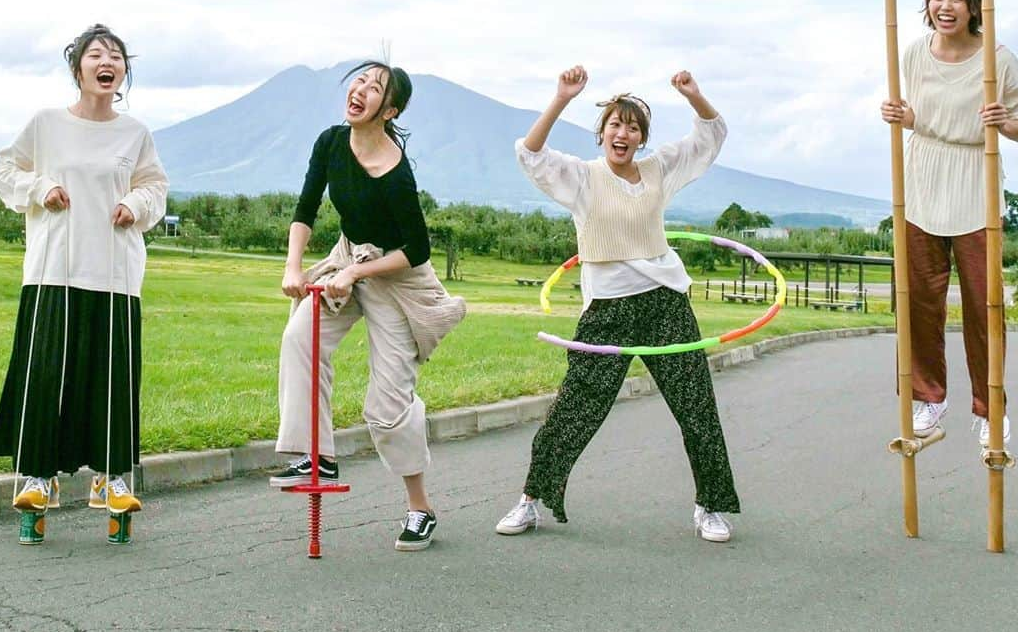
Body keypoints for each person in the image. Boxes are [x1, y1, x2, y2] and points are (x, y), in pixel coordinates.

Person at [495, 65, 740, 542]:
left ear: (642, 139)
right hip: (608, 308)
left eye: (632, 127)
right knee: (575, 407)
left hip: (665, 301)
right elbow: (530, 153)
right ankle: (531, 498)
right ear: (602, 134)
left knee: (697, 407)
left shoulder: (658, 170)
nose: (622, 133)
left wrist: (693, 95)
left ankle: (710, 506)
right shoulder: (581, 178)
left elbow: (712, 135)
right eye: (615, 125)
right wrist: (562, 97)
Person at [270, 61, 465, 551]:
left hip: (397, 279)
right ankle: (317, 455)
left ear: (390, 109)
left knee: (387, 407)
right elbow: (306, 206)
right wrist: (295, 269)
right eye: (359, 81)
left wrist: (356, 274)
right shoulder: (331, 142)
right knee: (300, 338)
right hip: (348, 257)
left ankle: (420, 508)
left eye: (374, 88)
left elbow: (415, 248)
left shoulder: (396, 173)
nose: (359, 90)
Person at [0, 24, 168, 519]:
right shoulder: (46, 124)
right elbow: (5, 172)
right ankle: (38, 479)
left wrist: (134, 202)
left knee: (111, 379)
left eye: (116, 56)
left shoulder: (136, 133)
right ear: (78, 68)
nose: (107, 61)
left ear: (124, 72)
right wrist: (41, 187)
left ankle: (110, 479)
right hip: (52, 269)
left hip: (113, 272)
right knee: (46, 375)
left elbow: (155, 187)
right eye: (96, 54)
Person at [881, 0, 1018, 446]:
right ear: (928, 3)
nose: (946, 7)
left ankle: (989, 408)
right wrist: (901, 116)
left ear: (975, 7)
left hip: (975, 182)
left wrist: (1002, 120)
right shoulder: (911, 54)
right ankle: (928, 398)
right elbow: (914, 115)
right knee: (919, 302)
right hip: (922, 181)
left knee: (984, 304)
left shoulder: (998, 60)